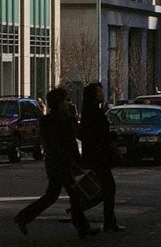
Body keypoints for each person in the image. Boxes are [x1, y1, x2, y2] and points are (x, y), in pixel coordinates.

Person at [14, 86, 98, 239]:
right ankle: (83, 229)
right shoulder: (59, 120)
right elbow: (66, 141)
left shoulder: (52, 120)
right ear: (59, 103)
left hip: (56, 163)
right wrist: (73, 162)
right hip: (63, 163)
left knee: (53, 195)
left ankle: (23, 217)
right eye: (65, 101)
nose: (67, 103)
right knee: (73, 195)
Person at [80, 83, 121, 233]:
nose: (102, 94)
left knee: (105, 188)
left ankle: (109, 221)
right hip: (99, 156)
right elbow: (97, 134)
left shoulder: (92, 112)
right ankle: (81, 209)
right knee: (107, 188)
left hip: (96, 156)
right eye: (99, 92)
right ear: (93, 95)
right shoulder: (93, 113)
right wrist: (113, 135)